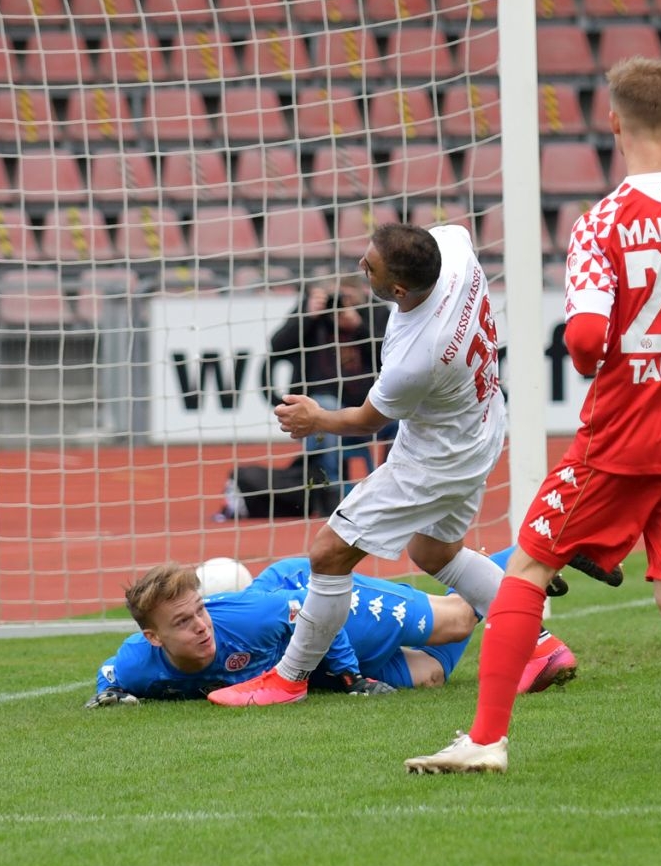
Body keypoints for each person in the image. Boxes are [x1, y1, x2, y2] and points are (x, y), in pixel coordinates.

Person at [404, 57, 661, 777]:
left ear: (612, 121)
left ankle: (486, 738)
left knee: (525, 568)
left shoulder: (602, 222)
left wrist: (594, 367)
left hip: (618, 438)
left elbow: (583, 339)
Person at [208, 222, 574, 707]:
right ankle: (539, 647)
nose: (361, 266)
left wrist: (315, 417)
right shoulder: (456, 247)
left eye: (371, 266)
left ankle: (290, 678)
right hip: (480, 424)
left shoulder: (416, 356)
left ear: (399, 289)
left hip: (434, 458)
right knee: (435, 554)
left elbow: (365, 420)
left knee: (329, 553)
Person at [90, 554, 577, 706]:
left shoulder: (244, 619)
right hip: (298, 646)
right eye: (182, 622)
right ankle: (525, 568)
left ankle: (535, 551)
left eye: (199, 611)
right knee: (431, 675)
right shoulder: (140, 661)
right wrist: (108, 694)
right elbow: (110, 674)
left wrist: (348, 677)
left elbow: (309, 610)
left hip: (316, 598)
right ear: (154, 637)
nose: (201, 626)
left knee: (457, 620)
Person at [268, 278, 391, 499]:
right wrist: (308, 316)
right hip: (326, 404)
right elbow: (277, 345)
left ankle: (392, 486)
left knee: (402, 417)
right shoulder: (313, 312)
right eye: (336, 298)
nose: (340, 304)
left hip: (369, 405)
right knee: (323, 406)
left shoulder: (376, 311)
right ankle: (330, 491)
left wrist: (359, 327)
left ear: (362, 294)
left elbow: (393, 357)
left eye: (347, 298)